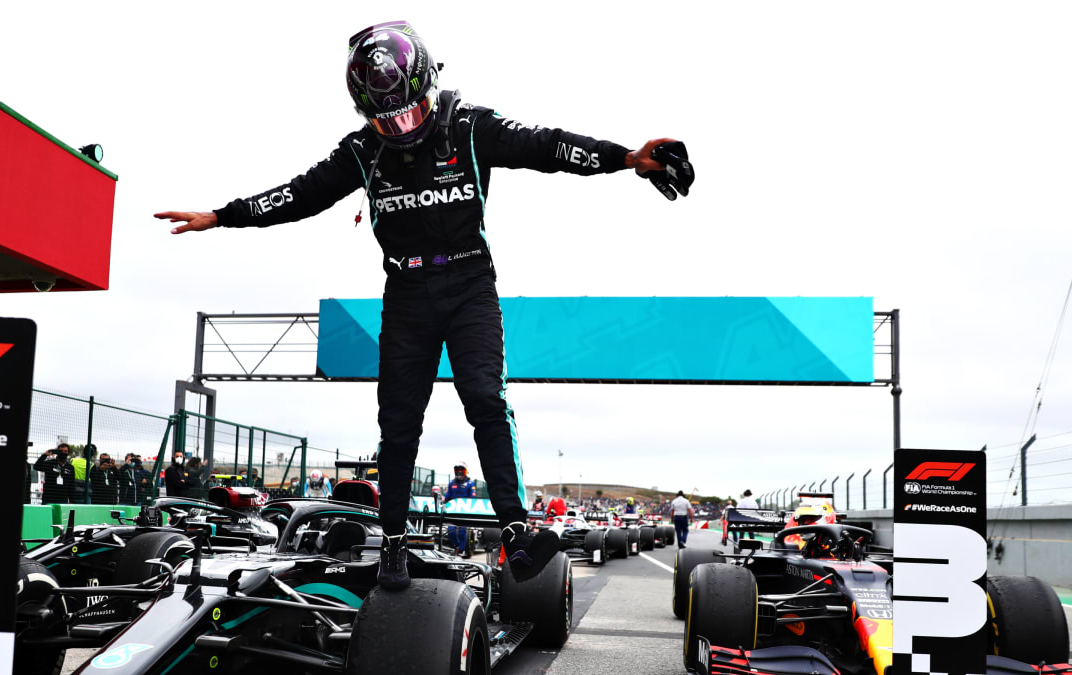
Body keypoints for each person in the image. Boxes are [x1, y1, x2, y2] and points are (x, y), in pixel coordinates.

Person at [155, 20, 693, 590]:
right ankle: (392, 542)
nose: (400, 126)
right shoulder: (362, 150)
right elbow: (301, 194)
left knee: (485, 397)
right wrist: (221, 215)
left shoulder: (470, 126)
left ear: (428, 84)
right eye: (387, 118)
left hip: (469, 284)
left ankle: (514, 527)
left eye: (409, 113)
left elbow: (548, 147)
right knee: (398, 420)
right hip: (406, 292)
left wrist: (627, 157)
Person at [445, 463, 476, 556]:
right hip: (452, 511)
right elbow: (447, 497)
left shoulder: (470, 483)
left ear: (465, 471)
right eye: (457, 469)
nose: (459, 471)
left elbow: (473, 498)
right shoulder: (451, 483)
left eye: (461, 469)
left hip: (464, 511)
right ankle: (457, 546)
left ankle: (461, 550)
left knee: (462, 532)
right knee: (451, 531)